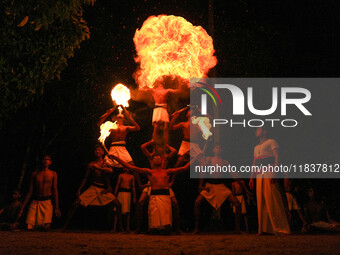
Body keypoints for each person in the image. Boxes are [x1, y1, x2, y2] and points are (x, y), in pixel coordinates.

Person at [108, 152, 201, 235]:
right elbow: (131, 167)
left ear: (161, 160)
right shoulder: (149, 172)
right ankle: (140, 228)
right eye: (155, 158)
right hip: (154, 197)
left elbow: (184, 168)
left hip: (165, 197)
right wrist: (116, 158)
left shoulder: (167, 172)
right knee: (154, 230)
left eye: (159, 158)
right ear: (152, 160)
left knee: (166, 230)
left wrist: (196, 157)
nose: (157, 159)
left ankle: (176, 229)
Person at [62, 145, 122, 231]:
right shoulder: (91, 165)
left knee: (118, 204)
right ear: (94, 153)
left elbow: (110, 171)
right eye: (96, 150)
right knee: (76, 203)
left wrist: (98, 168)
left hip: (103, 189)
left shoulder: (106, 163)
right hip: (93, 187)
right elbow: (85, 178)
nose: (98, 152)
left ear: (103, 152)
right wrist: (79, 189)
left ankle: (121, 228)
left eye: (99, 150)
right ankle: (65, 226)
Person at [193, 144, 248, 234]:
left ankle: (237, 229)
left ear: (222, 150)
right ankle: (196, 228)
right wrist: (200, 185)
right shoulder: (209, 159)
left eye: (220, 147)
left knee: (237, 203)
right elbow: (202, 171)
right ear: (213, 150)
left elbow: (233, 174)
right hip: (210, 186)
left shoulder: (225, 162)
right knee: (197, 202)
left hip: (221, 186)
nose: (219, 149)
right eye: (217, 147)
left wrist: (241, 183)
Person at [249, 127, 290, 235]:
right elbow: (255, 162)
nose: (256, 131)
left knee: (273, 199)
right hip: (259, 174)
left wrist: (276, 172)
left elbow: (277, 157)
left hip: (269, 172)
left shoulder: (272, 142)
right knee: (261, 201)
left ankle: (281, 228)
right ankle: (264, 229)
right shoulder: (256, 147)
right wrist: (251, 177)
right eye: (256, 130)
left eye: (259, 129)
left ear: (265, 131)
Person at [139, 139, 182, 233]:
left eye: (161, 146)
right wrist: (152, 141)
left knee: (175, 204)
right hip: (152, 182)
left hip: (164, 184)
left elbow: (174, 151)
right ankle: (140, 228)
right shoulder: (151, 157)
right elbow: (142, 147)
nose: (159, 148)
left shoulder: (165, 158)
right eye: (158, 146)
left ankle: (177, 228)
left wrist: (166, 144)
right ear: (155, 146)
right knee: (140, 202)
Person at [19, 155, 61, 230]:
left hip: (47, 201)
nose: (45, 161)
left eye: (47, 159)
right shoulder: (35, 174)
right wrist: (22, 207)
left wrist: (57, 207)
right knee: (28, 227)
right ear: (41, 161)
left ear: (50, 162)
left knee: (46, 227)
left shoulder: (53, 174)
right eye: (44, 159)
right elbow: (30, 191)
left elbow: (55, 189)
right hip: (36, 201)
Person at [113, 167, 136, 232]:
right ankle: (114, 228)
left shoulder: (132, 177)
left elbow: (133, 187)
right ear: (123, 168)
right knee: (117, 210)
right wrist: (114, 194)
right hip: (121, 193)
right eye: (125, 167)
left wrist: (134, 197)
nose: (127, 168)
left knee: (127, 211)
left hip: (128, 193)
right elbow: (117, 185)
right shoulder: (121, 175)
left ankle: (127, 228)